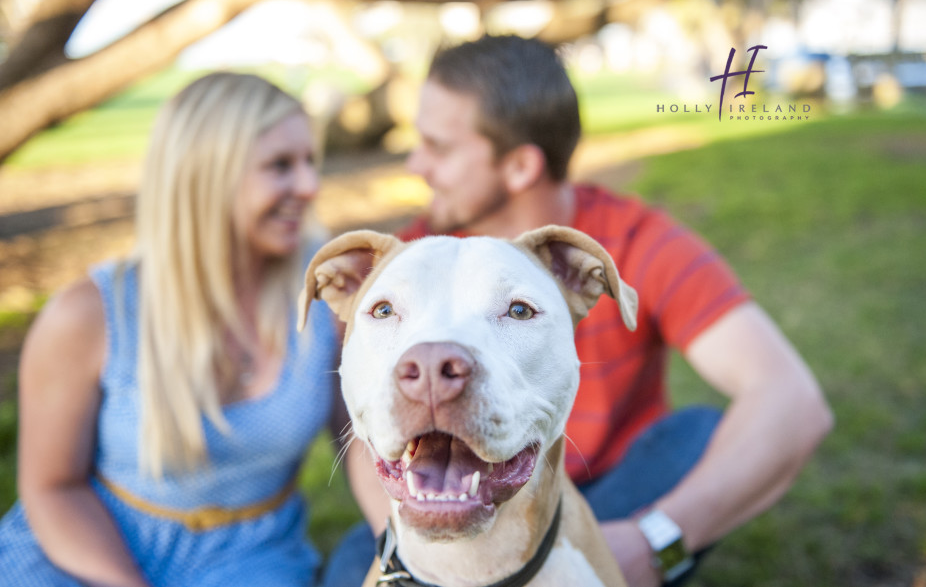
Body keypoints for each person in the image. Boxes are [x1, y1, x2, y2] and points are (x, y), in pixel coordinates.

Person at [324, 35, 833, 587]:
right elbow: (367, 418)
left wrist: (651, 541)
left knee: (699, 436)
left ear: (519, 166)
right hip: (447, 470)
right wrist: (419, 555)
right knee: (355, 563)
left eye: (438, 147)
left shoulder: (633, 243)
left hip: (614, 486)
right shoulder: (412, 261)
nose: (416, 164)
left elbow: (792, 400)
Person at [0, 72, 340, 586]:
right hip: (85, 549)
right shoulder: (89, 315)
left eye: (310, 161)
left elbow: (366, 446)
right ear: (206, 177)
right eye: (280, 166)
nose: (310, 186)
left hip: (254, 557)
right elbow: (51, 486)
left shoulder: (327, 294)